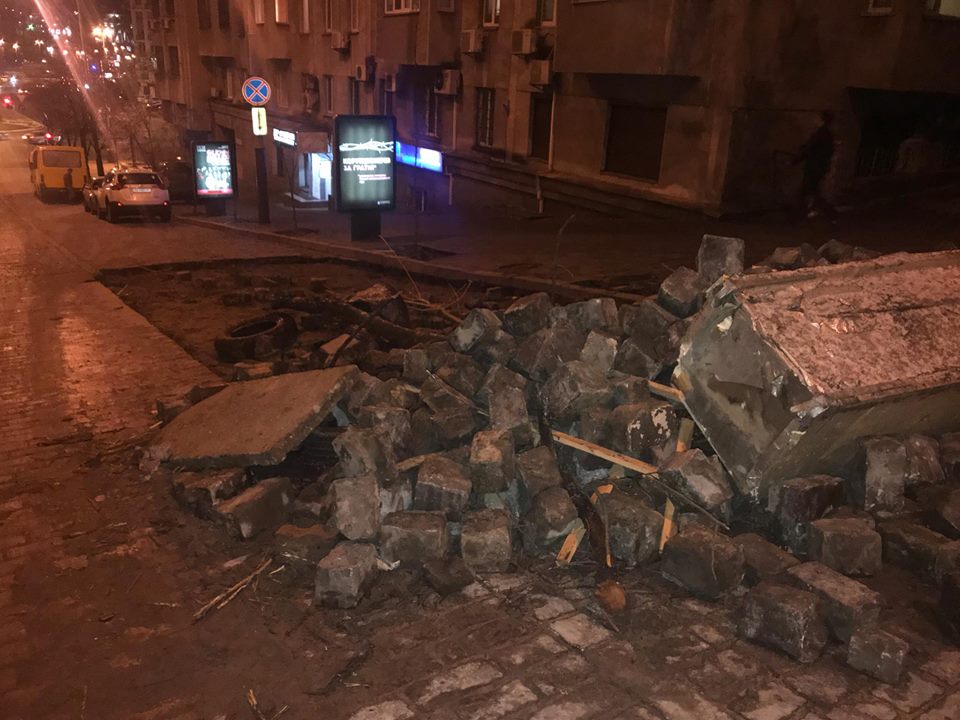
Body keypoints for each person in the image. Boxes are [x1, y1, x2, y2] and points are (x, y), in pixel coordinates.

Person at [795, 111, 837, 221]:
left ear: (822, 121)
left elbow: (810, 150)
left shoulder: (820, 134)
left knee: (809, 191)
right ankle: (803, 213)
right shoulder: (828, 135)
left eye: (817, 118)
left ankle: (830, 213)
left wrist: (795, 160)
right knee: (811, 191)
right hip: (819, 167)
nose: (815, 120)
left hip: (814, 167)